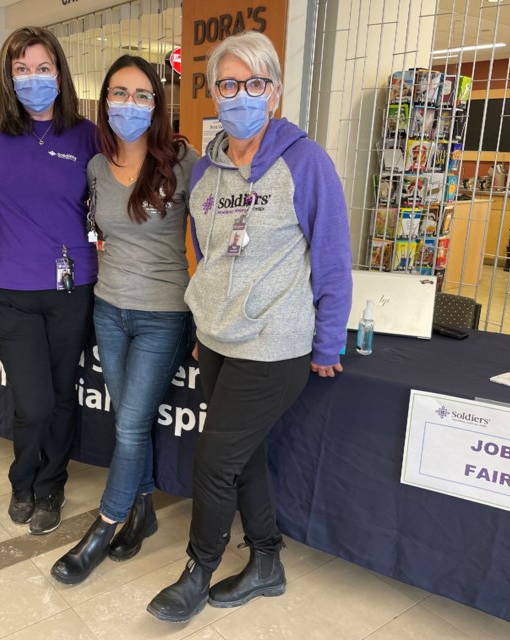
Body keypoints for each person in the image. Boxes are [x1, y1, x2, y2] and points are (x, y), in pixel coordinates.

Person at [146, 30, 353, 623]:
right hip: (215, 339)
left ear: (275, 93)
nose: (240, 95)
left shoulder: (303, 160)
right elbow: (206, 256)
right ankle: (266, 560)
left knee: (214, 460)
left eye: (253, 84)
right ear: (212, 93)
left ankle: (198, 570)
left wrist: (329, 338)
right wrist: (202, 315)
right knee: (244, 455)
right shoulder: (207, 171)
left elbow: (332, 253)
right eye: (228, 85)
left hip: (275, 342)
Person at [49, 56, 197, 585]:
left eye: (140, 95)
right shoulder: (95, 165)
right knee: (126, 424)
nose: (128, 105)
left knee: (132, 425)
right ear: (104, 100)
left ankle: (103, 528)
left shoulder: (182, 159)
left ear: (156, 103)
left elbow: (208, 241)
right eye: (118, 93)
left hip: (163, 314)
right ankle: (144, 514)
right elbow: (94, 231)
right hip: (108, 309)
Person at [0, 26, 98, 536]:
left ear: (60, 72)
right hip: (7, 289)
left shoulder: (86, 134)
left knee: (64, 394)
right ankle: (21, 478)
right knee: (34, 400)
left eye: (42, 67)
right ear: (7, 76)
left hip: (71, 287)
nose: (32, 78)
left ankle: (52, 483)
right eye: (20, 69)